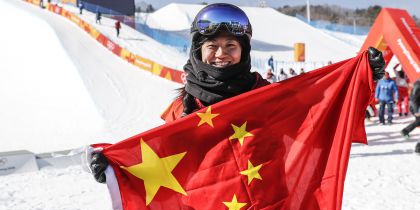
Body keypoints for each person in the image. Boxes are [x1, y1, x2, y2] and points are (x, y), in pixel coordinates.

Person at [89, 3, 385, 183]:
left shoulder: (268, 95)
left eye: (231, 46)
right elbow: (164, 163)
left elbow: (321, 120)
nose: (221, 54)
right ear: (197, 51)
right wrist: (119, 172)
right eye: (212, 46)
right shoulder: (184, 106)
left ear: (243, 52)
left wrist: (361, 81)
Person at [401, 79, 420, 154]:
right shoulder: (418, 85)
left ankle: (405, 131)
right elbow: (414, 99)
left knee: (418, 122)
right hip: (417, 108)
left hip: (417, 107)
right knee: (418, 121)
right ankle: (405, 131)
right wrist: (416, 111)